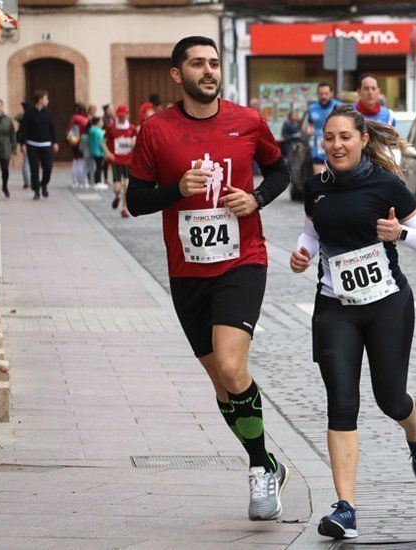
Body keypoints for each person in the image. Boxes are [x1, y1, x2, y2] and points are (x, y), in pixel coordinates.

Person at [126, 36, 292, 521]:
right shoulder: (156, 131)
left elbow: (280, 172)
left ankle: (261, 469)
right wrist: (175, 190)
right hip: (187, 270)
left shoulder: (247, 121)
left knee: (232, 365)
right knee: (222, 381)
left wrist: (256, 200)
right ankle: (266, 462)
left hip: (243, 260)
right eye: (197, 64)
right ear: (177, 74)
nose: (208, 71)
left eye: (214, 63)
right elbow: (136, 201)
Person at [289, 104, 416, 540]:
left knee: (390, 399)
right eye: (329, 138)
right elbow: (312, 234)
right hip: (335, 305)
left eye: (345, 138)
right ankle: (346, 508)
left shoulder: (386, 185)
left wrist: (401, 234)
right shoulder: (315, 187)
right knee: (341, 400)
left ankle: (415, 432)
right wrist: (302, 252)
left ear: (363, 140)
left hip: (387, 303)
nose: (336, 145)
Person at [20, 90, 58, 200]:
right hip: (32, 145)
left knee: (48, 168)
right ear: (40, 100)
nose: (48, 101)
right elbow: (24, 129)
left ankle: (44, 184)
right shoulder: (29, 113)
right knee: (34, 169)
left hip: (46, 145)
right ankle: (36, 191)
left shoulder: (48, 113)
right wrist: (23, 143)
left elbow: (52, 129)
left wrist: (55, 142)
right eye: (46, 99)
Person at [106, 104, 138, 217]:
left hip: (128, 161)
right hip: (116, 162)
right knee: (117, 188)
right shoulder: (111, 128)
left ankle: (124, 209)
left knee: (127, 186)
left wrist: (135, 143)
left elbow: (136, 140)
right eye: (119, 116)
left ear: (127, 115)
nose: (121, 117)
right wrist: (108, 153)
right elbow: (103, 141)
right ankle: (117, 196)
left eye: (123, 116)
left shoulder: (132, 128)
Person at [304, 82, 342, 175]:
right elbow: (307, 124)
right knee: (319, 179)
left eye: (326, 93)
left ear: (331, 94)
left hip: (336, 147)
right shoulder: (312, 108)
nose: (323, 96)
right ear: (317, 94)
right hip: (319, 148)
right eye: (321, 94)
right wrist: (308, 129)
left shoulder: (339, 106)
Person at [0, 99, 17, 198]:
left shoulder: (8, 119)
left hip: (5, 148)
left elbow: (12, 134)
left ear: (3, 106)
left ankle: (5, 186)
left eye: (0, 105)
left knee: (5, 170)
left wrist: (14, 148)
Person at [67, 102, 89, 188]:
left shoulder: (74, 118)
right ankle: (81, 179)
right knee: (81, 160)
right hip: (81, 141)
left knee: (75, 160)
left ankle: (74, 179)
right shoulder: (83, 119)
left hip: (73, 140)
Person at [86, 117, 111, 187]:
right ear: (97, 123)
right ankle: (98, 181)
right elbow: (101, 142)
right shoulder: (99, 131)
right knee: (99, 167)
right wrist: (105, 152)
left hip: (93, 150)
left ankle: (92, 180)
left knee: (94, 166)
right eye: (101, 122)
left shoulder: (91, 130)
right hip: (99, 152)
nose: (102, 123)